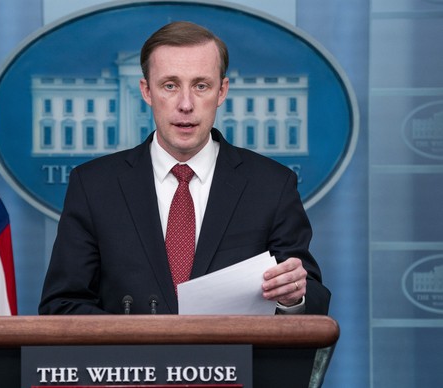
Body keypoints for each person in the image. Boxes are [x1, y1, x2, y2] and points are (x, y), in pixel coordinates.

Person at [39, 21, 330, 316]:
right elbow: (62, 304)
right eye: (170, 85)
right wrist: (133, 344)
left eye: (201, 86)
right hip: (129, 362)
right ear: (146, 91)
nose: (186, 104)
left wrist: (292, 299)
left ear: (221, 91)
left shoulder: (271, 185)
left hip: (234, 361)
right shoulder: (93, 186)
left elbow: (313, 297)